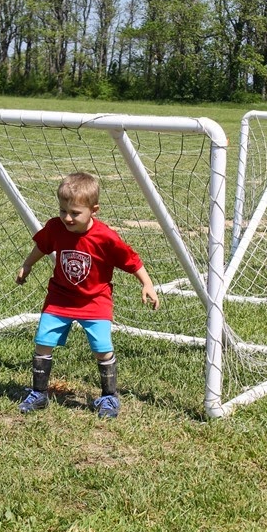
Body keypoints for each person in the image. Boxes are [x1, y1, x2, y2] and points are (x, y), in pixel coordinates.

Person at [15, 172, 159, 418]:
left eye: (74, 213)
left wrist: (147, 283)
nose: (67, 218)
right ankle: (39, 393)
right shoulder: (55, 227)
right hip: (60, 297)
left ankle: (109, 397)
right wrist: (27, 265)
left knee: (102, 347)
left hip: (95, 301)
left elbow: (131, 260)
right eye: (62, 211)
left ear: (94, 210)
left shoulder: (106, 237)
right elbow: (42, 245)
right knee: (42, 342)